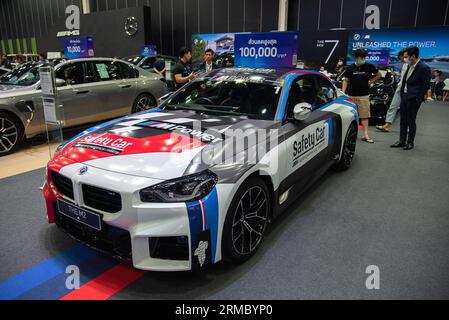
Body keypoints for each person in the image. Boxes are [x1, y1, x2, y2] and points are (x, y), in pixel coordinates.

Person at [391, 46, 431, 150]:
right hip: (404, 96)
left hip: (414, 99)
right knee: (403, 120)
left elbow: (425, 85)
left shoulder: (423, 67)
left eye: (406, 57)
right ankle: (401, 140)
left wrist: (418, 98)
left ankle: (410, 142)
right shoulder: (409, 65)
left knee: (411, 121)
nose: (404, 59)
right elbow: (405, 80)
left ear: (412, 56)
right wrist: (402, 95)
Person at [342, 48, 381, 144]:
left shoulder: (369, 66)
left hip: (364, 95)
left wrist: (371, 81)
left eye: (364, 57)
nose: (363, 59)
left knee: (364, 116)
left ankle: (365, 134)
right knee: (349, 116)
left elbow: (378, 75)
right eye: (361, 57)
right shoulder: (350, 68)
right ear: (356, 58)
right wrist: (343, 92)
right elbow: (346, 80)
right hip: (351, 95)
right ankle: (348, 135)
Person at [376, 50, 407, 133]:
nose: (400, 59)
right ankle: (387, 125)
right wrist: (397, 74)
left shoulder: (411, 65)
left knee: (406, 110)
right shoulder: (404, 65)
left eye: (402, 57)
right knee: (392, 106)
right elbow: (403, 76)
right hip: (400, 88)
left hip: (408, 91)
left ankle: (407, 127)